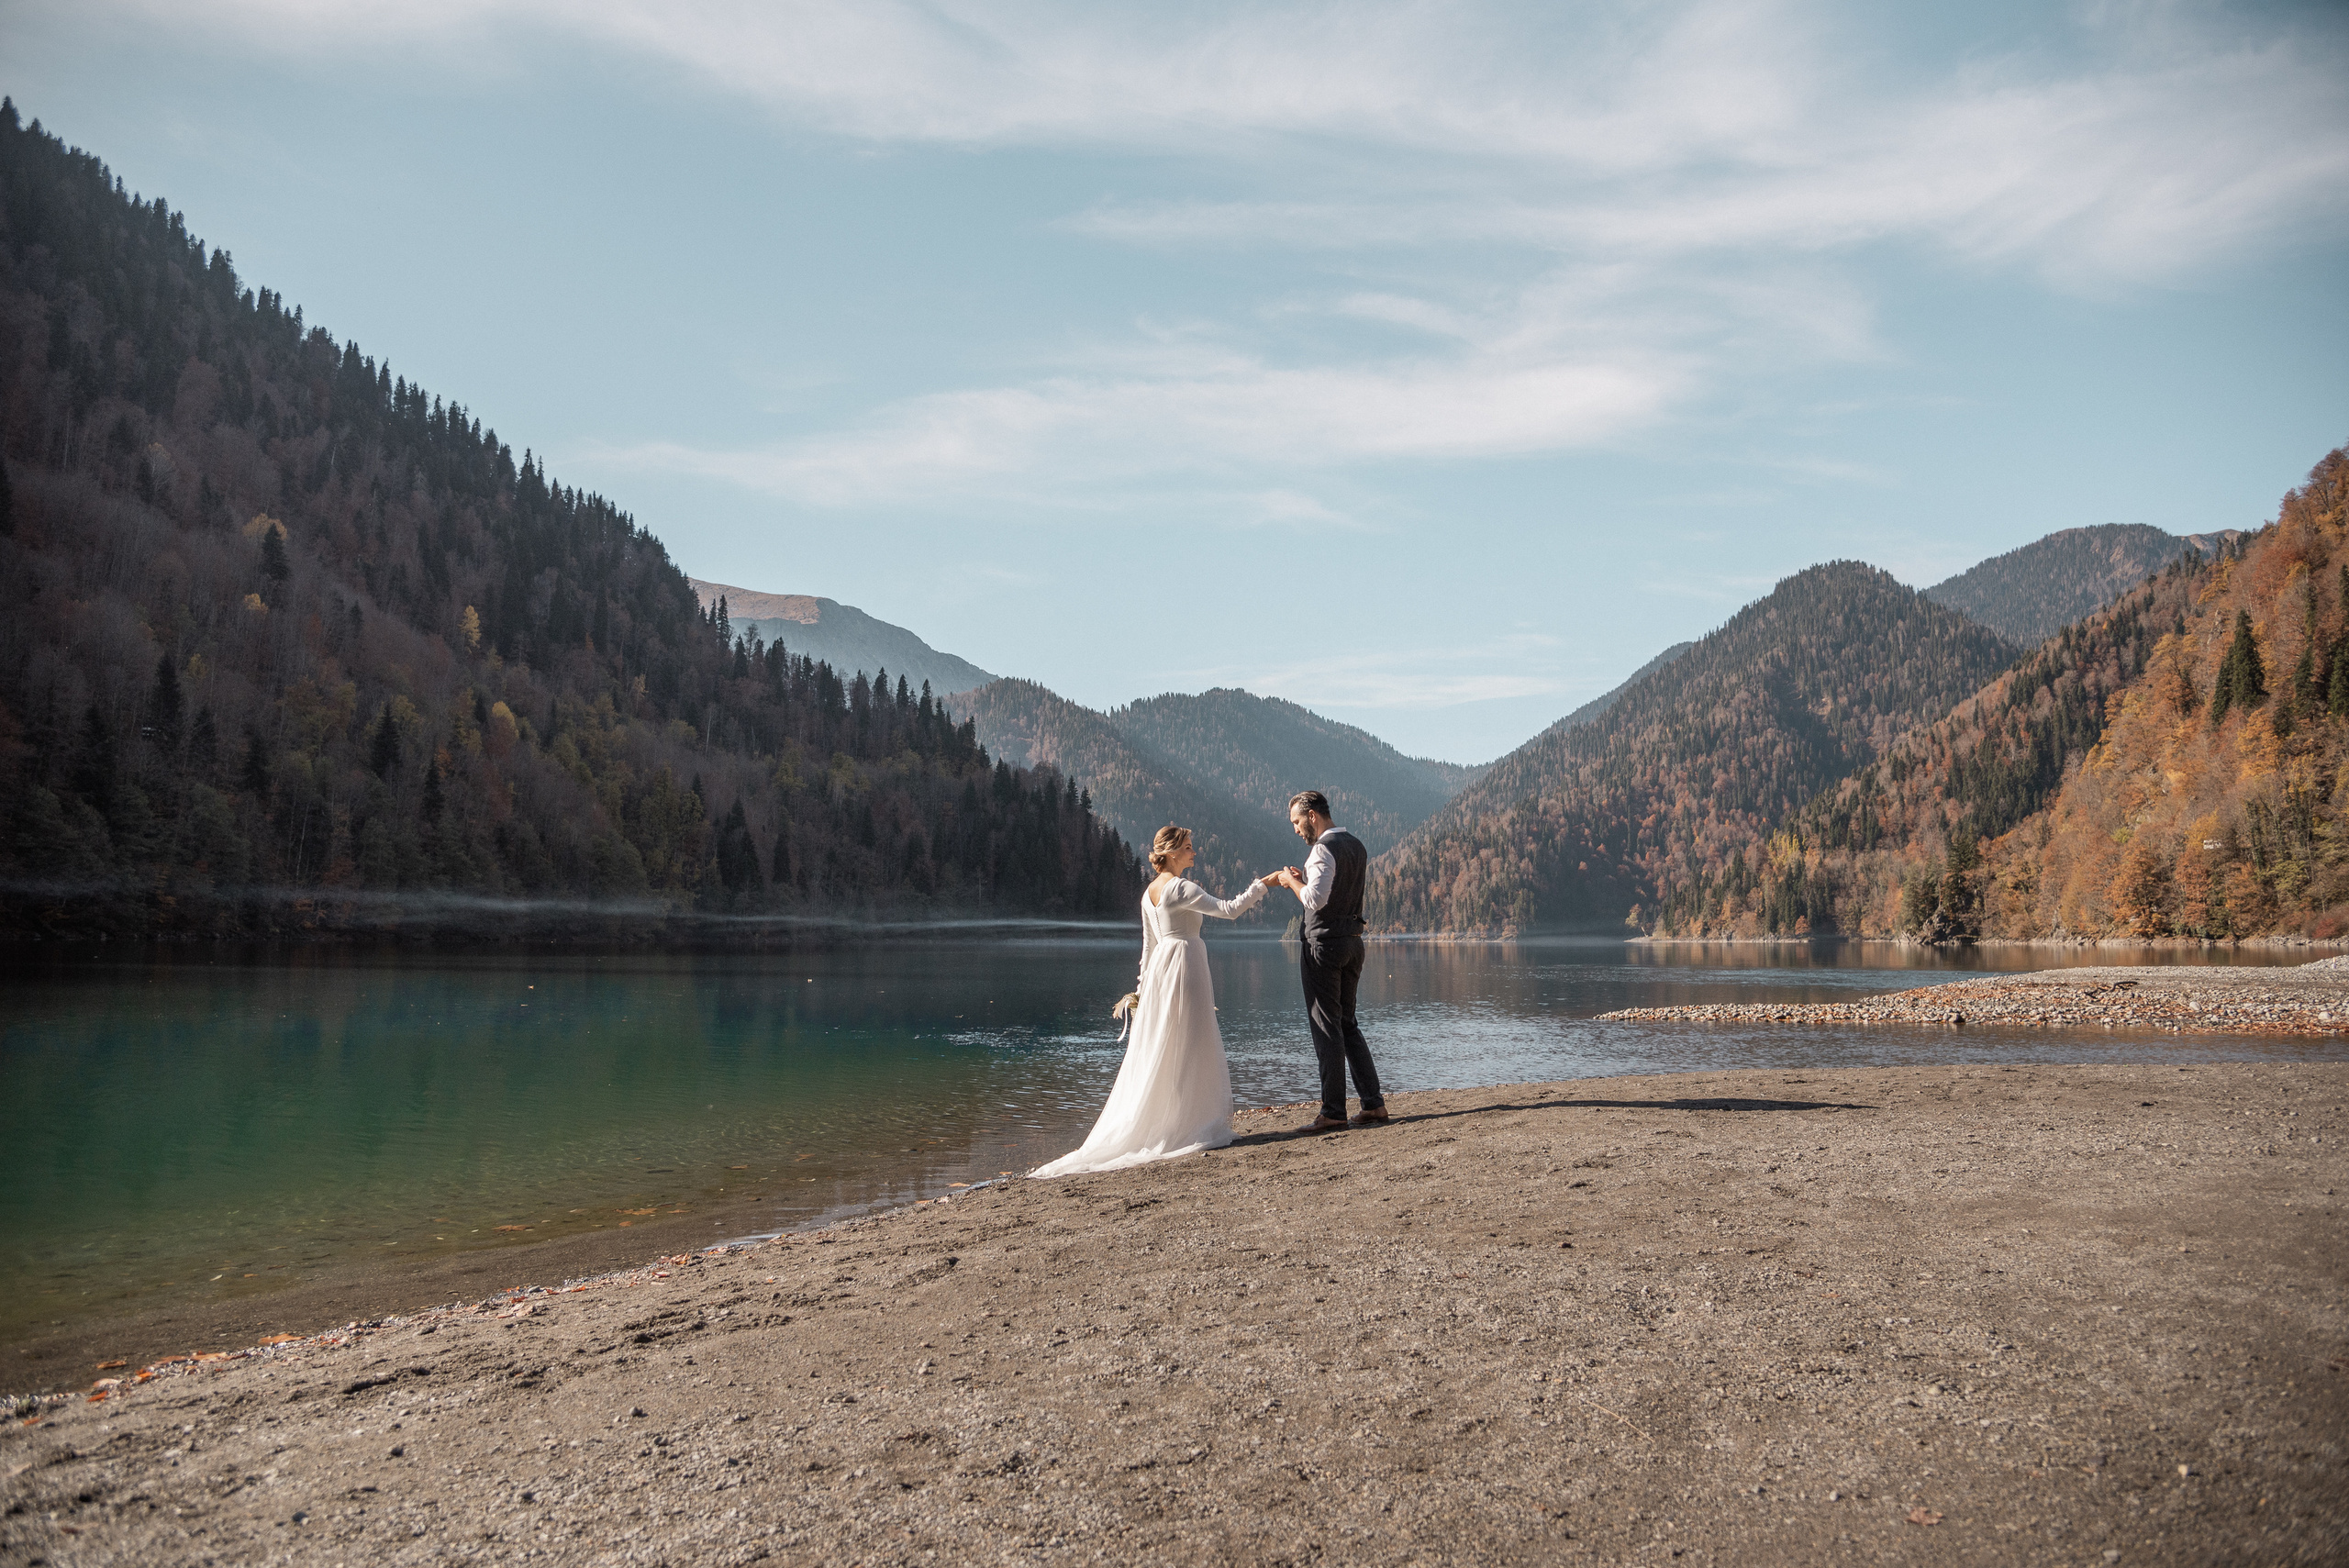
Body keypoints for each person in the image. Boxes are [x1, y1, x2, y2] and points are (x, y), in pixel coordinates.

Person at [1030, 826, 1277, 1177]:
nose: (1194, 853)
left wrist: (1144, 989)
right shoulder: (1181, 887)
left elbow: (1148, 948)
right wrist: (1263, 884)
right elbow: (1229, 909)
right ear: (1173, 852)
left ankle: (1172, 1118)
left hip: (1163, 969)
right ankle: (1187, 1122)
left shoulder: (1149, 893)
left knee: (1167, 1042)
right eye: (1189, 848)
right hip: (1186, 964)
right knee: (1191, 1041)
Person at [1267, 789, 1388, 1132]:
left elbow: (1316, 901)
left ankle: (1333, 1111)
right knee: (1348, 1024)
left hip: (1324, 947)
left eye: (1296, 821)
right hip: (1352, 943)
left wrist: (1291, 881)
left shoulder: (1322, 848)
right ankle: (1373, 1104)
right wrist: (1303, 880)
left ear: (1312, 816)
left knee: (1326, 1027)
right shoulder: (1356, 845)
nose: (1295, 829)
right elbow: (1331, 893)